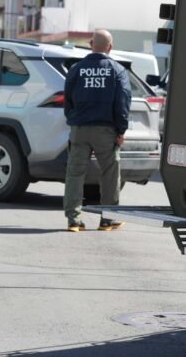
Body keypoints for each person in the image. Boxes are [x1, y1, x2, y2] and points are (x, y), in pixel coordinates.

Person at [63, 29, 131, 232]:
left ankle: (73, 220)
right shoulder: (117, 70)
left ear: (91, 43)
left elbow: (68, 100)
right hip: (106, 131)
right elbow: (123, 102)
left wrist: (73, 120)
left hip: (80, 128)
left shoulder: (76, 69)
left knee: (75, 173)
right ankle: (108, 219)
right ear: (110, 47)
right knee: (110, 173)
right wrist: (121, 130)